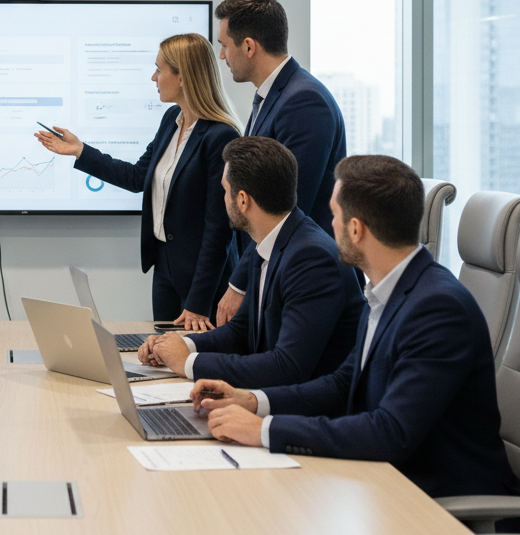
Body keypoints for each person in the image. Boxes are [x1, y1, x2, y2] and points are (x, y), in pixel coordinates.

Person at [195, 155, 520, 501]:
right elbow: (343, 383)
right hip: (383, 483)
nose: (329, 226)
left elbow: (390, 432)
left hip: (439, 504)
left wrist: (265, 429)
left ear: (356, 229)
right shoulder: (387, 290)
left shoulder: (438, 309)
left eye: (334, 215)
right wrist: (253, 401)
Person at [35, 33, 240, 327]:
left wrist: (198, 303)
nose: (154, 77)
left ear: (183, 77)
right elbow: (137, 177)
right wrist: (80, 151)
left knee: (195, 353)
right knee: (162, 350)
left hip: (202, 280)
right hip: (165, 268)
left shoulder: (220, 136)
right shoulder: (171, 120)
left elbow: (218, 230)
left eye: (159, 69)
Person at [138, 136, 362, 387]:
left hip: (307, 405)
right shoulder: (269, 240)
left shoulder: (311, 259)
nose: (223, 198)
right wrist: (181, 345)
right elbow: (241, 330)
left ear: (243, 200)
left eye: (225, 191)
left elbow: (286, 368)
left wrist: (188, 363)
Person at [213, 0, 347, 328]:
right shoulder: (272, 96)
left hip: (305, 278)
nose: (222, 56)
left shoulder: (303, 101)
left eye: (224, 46)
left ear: (248, 46)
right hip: (278, 269)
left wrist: (239, 283)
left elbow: (286, 207)